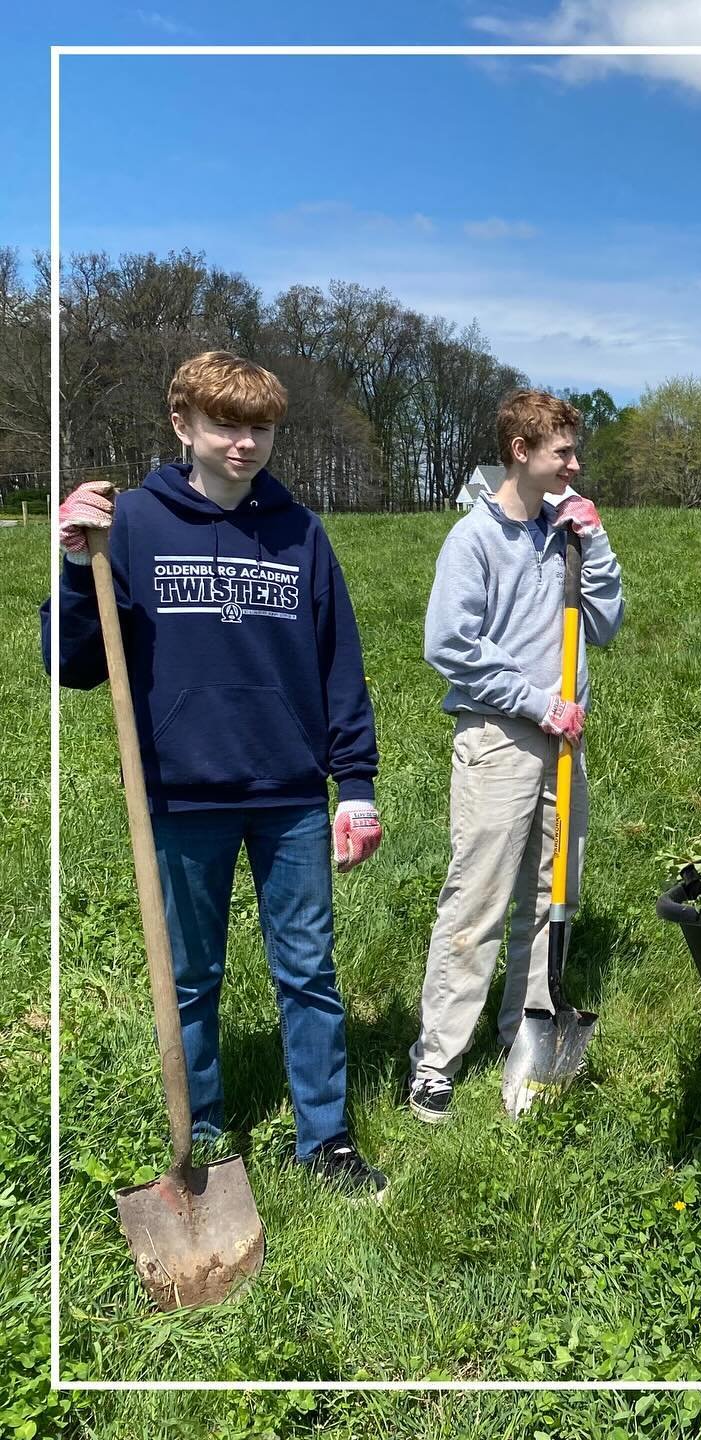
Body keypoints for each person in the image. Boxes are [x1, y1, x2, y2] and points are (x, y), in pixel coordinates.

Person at [43, 350, 387, 1198]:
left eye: (259, 427)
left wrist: (358, 784)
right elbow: (70, 664)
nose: (243, 443)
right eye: (225, 425)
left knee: (307, 971)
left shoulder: (301, 531)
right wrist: (76, 567)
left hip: (290, 794)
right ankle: (195, 1131)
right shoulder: (134, 526)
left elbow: (339, 662)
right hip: (181, 791)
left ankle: (326, 1139)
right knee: (189, 975)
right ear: (183, 425)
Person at [407, 389, 624, 1123]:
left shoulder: (566, 532)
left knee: (550, 892)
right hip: (501, 737)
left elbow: (604, 626)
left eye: (574, 448)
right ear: (520, 452)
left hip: (567, 741)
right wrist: (536, 702)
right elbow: (449, 646)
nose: (575, 462)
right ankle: (437, 1060)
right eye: (562, 451)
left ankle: (524, 1036)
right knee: (480, 897)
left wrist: (597, 548)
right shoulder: (474, 540)